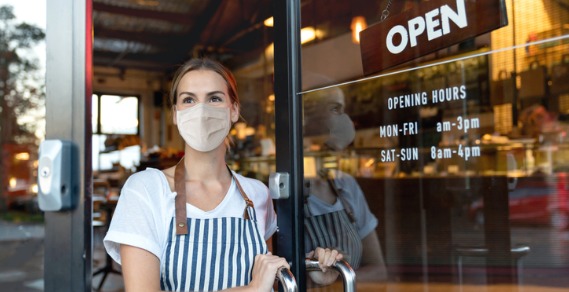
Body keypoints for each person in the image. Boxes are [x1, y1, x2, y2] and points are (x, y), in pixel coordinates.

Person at [103, 58, 341, 292]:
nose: (201, 110)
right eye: (189, 100)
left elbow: (270, 279)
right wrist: (251, 289)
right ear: (175, 114)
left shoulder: (256, 193)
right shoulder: (146, 190)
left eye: (214, 98)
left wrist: (311, 269)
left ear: (234, 110)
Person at [303, 86, 388, 285]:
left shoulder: (346, 185)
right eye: (335, 109)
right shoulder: (282, 192)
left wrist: (337, 279)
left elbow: (378, 270)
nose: (344, 119)